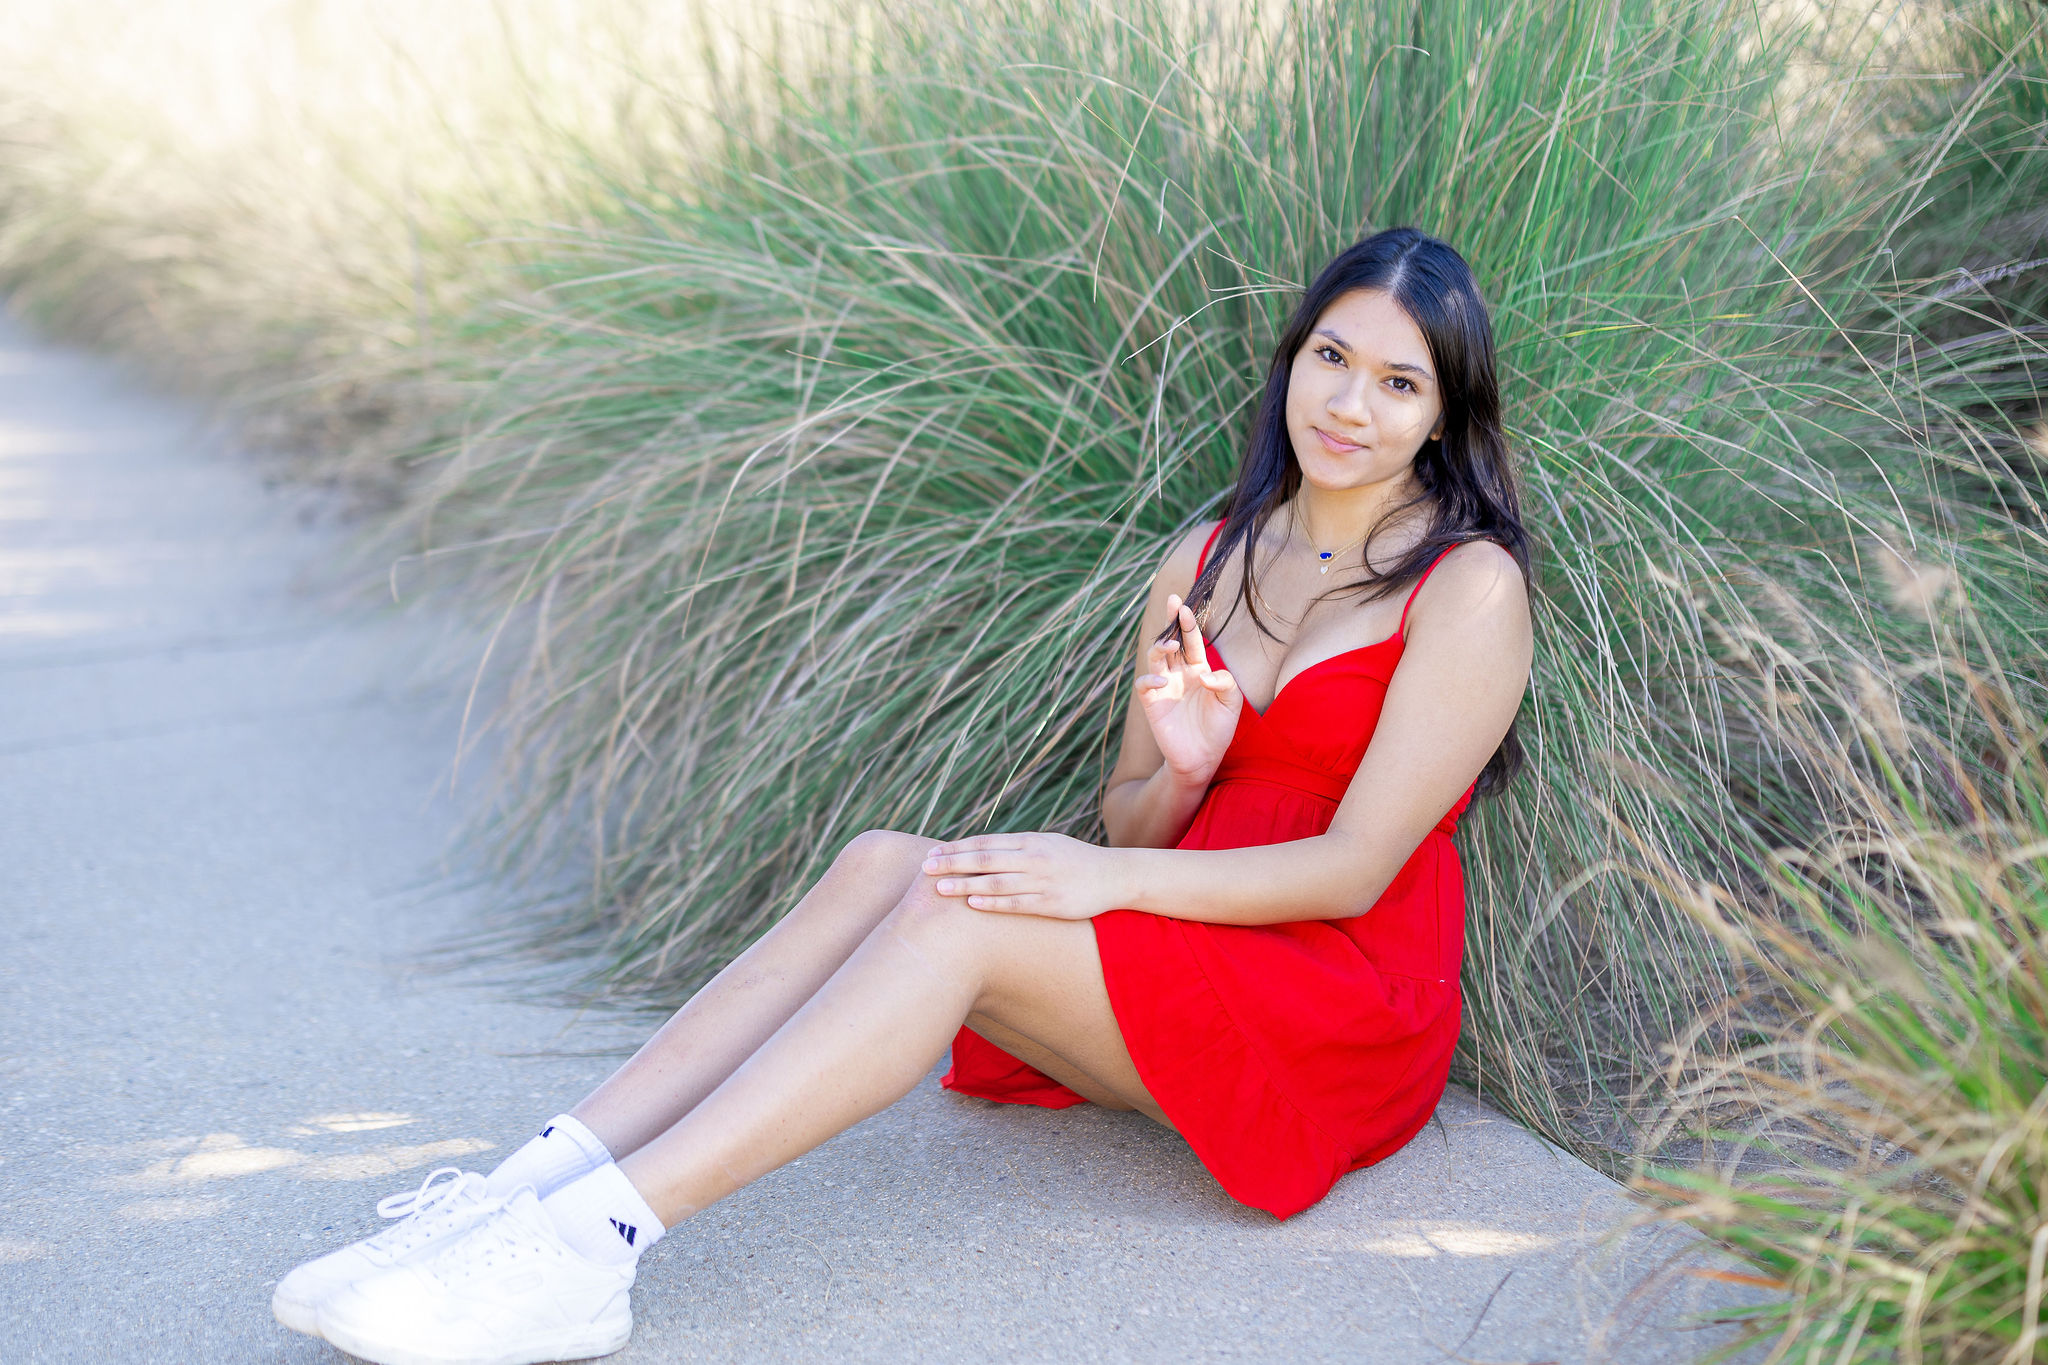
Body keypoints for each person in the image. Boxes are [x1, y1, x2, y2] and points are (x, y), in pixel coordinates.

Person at [273, 225, 1534, 1365]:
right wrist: (1188, 764)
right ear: (1290, 359)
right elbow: (1135, 815)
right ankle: (524, 1190)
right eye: (1331, 356)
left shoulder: (1464, 587)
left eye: (1398, 382)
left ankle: (592, 1246)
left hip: (1341, 995)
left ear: (1443, 415)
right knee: (887, 859)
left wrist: (1111, 876)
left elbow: (1356, 865)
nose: (1349, 404)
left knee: (961, 915)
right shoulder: (1203, 555)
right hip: (1195, 937)